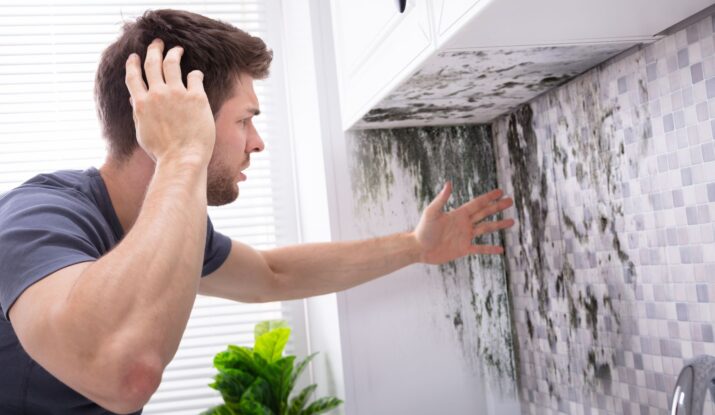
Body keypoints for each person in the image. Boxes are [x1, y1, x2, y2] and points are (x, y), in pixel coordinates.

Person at [0, 9, 514, 415]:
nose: (258, 142)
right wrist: (181, 153)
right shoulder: (37, 218)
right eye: (244, 120)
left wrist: (415, 247)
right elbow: (124, 375)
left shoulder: (170, 226)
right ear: (179, 114)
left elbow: (272, 274)